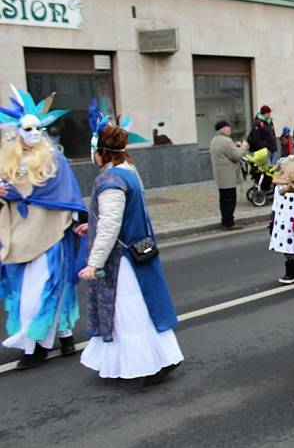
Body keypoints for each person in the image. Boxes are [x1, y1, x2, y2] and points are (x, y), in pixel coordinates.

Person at [78, 124, 183, 384]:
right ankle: (163, 357)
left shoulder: (111, 180)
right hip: (136, 252)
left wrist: (94, 263)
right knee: (143, 310)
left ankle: (151, 363)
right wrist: (90, 224)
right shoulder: (127, 171)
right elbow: (114, 218)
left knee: (130, 314)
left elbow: (111, 226)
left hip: (123, 260)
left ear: (100, 152)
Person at [0, 88, 85, 369]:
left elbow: (66, 194)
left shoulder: (54, 159)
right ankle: (42, 341)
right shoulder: (7, 163)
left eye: (39, 128)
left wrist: (75, 219)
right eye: (28, 128)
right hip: (19, 235)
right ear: (18, 131)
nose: (35, 133)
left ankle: (50, 341)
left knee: (50, 288)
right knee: (26, 292)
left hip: (50, 233)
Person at [210, 120, 246, 231]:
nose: (230, 129)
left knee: (223, 199)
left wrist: (235, 146)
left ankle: (224, 221)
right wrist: (243, 147)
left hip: (220, 176)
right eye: (228, 127)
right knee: (230, 200)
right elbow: (237, 156)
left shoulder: (215, 140)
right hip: (228, 175)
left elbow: (226, 151)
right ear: (223, 129)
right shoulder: (226, 141)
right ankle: (229, 223)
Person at [269, 184, 294, 284]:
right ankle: (293, 272)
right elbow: (276, 201)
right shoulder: (279, 185)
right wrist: (272, 216)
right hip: (283, 219)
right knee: (286, 245)